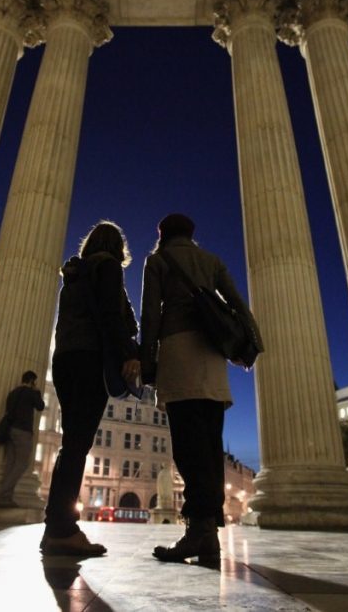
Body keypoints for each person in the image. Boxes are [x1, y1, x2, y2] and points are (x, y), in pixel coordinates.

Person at [139, 213, 259, 565]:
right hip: (212, 358)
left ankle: (198, 531)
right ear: (192, 234)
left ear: (162, 234)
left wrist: (148, 362)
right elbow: (238, 304)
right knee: (209, 445)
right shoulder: (212, 261)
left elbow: (151, 315)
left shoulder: (158, 260)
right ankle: (208, 534)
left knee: (188, 449)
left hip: (177, 353)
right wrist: (250, 346)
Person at [42, 221, 140, 556]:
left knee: (70, 445)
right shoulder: (108, 267)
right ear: (117, 247)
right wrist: (129, 353)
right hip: (89, 359)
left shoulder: (73, 274)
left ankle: (54, 526)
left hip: (65, 360)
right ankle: (62, 529)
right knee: (77, 445)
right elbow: (113, 317)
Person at [0, 370, 45, 508]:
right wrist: (37, 391)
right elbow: (40, 406)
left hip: (10, 431)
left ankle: (6, 498)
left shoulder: (13, 393)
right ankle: (2, 495)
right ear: (32, 381)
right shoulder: (31, 393)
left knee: (10, 464)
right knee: (22, 464)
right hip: (23, 431)